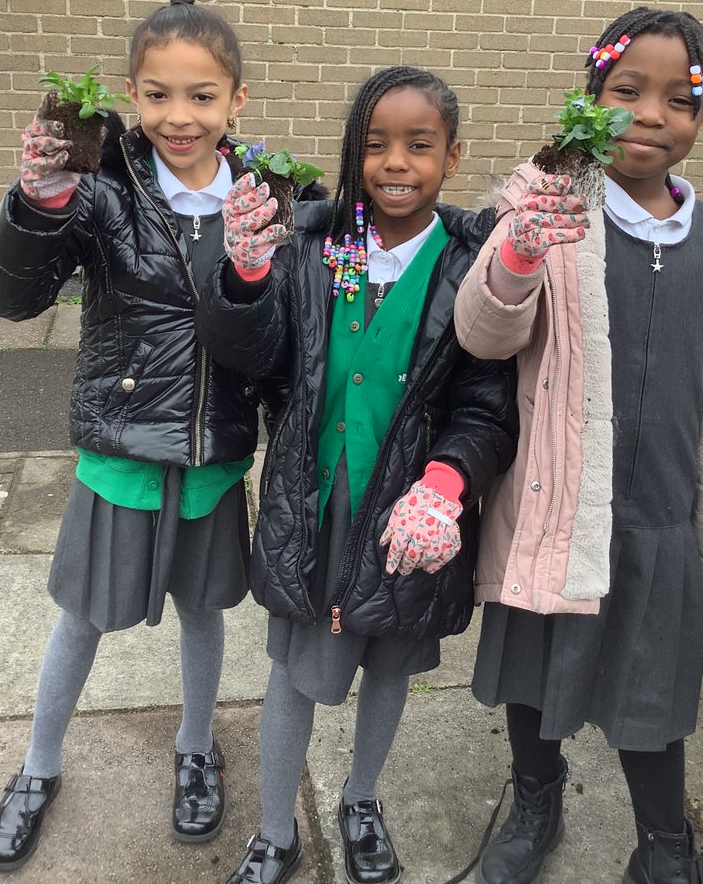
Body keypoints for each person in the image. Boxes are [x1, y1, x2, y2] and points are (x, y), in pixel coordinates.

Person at [452, 7, 703, 884]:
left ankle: (664, 844)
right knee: (534, 676)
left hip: (661, 517)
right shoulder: (550, 209)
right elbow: (483, 334)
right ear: (590, 98)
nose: (651, 114)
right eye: (627, 90)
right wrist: (520, 249)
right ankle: (535, 799)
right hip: (560, 502)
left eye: (681, 99)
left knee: (657, 699)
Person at [197, 65, 517, 884]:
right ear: (353, 151)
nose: (395, 163)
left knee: (388, 667)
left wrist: (449, 484)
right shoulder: (312, 242)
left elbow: (485, 406)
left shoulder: (473, 266)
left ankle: (362, 797)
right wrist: (244, 280)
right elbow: (260, 360)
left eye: (419, 145)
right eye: (374, 145)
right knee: (293, 674)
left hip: (411, 514)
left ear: (453, 155)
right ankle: (274, 831)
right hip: (315, 503)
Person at [0, 0, 271, 871]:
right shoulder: (101, 188)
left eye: (203, 95)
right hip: (121, 454)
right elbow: (9, 299)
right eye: (157, 94)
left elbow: (282, 332)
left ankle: (194, 748)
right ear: (131, 95)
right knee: (81, 618)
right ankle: (37, 768)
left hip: (213, 453)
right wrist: (37, 205)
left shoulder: (265, 192)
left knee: (203, 615)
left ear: (237, 100)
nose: (180, 116)